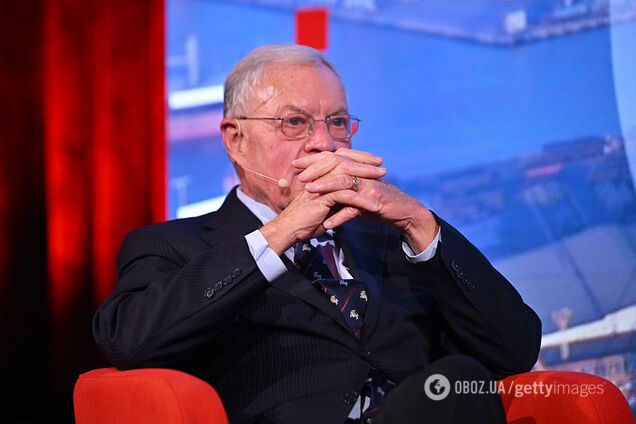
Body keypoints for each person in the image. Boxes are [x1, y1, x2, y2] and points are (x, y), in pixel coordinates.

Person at [93, 44, 541, 424]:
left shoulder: (390, 241)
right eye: (294, 122)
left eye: (338, 122)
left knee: (456, 383)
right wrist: (283, 230)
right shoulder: (176, 246)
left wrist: (419, 222)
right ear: (235, 140)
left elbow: (515, 350)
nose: (324, 143)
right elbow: (130, 341)